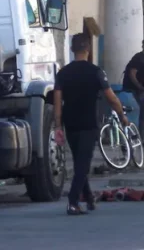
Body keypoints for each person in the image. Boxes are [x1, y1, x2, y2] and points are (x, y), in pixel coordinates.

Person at [53, 33, 128, 215]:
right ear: (88, 49)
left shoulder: (63, 73)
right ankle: (73, 202)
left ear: (72, 50)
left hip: (70, 123)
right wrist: (122, 114)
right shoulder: (96, 72)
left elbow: (57, 102)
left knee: (80, 161)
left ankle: (89, 198)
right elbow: (111, 98)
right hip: (88, 124)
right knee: (82, 165)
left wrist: (57, 126)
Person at [122, 40, 144, 136]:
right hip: (133, 89)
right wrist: (140, 87)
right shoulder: (139, 58)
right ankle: (139, 135)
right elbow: (132, 74)